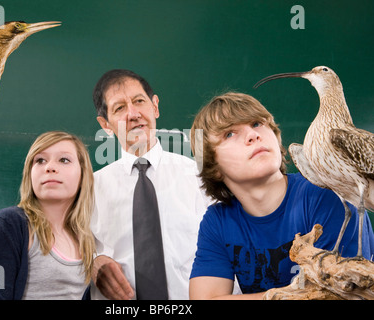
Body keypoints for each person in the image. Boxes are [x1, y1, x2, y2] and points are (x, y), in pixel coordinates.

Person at [188, 92, 374, 299]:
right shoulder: (217, 221)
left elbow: (344, 293)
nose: (253, 135)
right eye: (229, 134)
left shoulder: (327, 195)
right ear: (213, 166)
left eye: (257, 123)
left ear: (276, 137)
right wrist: (283, 296)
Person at [90, 69, 213, 300]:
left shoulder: (200, 177)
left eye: (139, 101)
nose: (133, 114)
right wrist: (92, 264)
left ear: (155, 106)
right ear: (105, 124)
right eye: (119, 108)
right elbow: (65, 253)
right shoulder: (88, 190)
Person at [0, 131, 95, 299]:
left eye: (64, 160)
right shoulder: (8, 225)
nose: (49, 167)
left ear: (82, 175)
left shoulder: (87, 237)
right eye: (40, 160)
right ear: (30, 174)